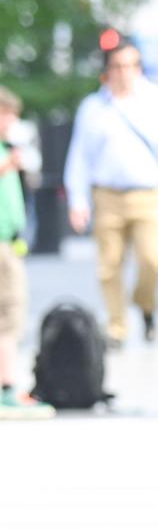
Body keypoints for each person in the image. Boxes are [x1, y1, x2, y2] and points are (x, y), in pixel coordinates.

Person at [64, 40, 158, 348]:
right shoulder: (93, 108)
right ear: (107, 71)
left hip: (150, 195)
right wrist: (78, 200)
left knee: (153, 260)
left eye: (130, 66)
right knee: (108, 266)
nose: (124, 73)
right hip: (106, 196)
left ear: (139, 69)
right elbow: (80, 157)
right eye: (118, 67)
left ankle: (146, 306)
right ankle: (116, 326)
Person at [0, 87, 53, 419]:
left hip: (9, 241)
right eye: (7, 114)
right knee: (10, 312)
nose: (11, 121)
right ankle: (6, 386)